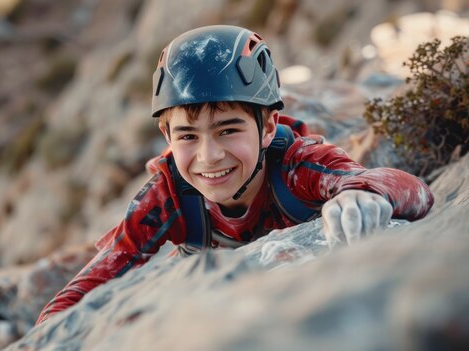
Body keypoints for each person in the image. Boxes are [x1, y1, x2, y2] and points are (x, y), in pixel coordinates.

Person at [35, 25, 433, 325]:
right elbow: (80, 293)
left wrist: (362, 193)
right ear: (166, 137)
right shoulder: (169, 196)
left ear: (268, 127)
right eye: (188, 136)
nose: (209, 156)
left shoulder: (297, 166)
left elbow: (410, 188)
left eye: (228, 129)